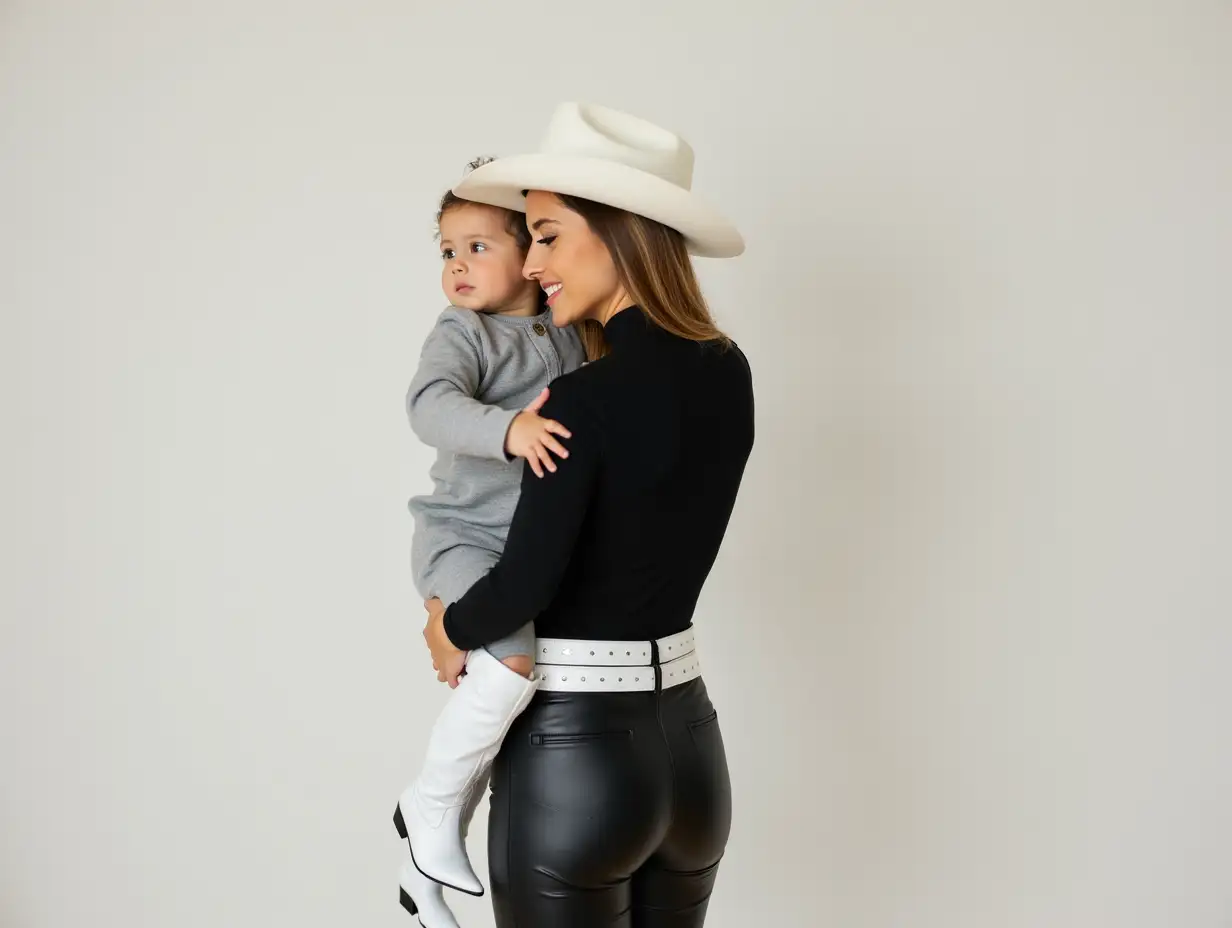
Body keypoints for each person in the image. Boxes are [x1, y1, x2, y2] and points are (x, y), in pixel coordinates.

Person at [421, 102, 755, 928]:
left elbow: (524, 585)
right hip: (691, 755)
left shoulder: (581, 401)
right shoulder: (729, 371)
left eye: (547, 235)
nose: (531, 265)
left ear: (617, 231)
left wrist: (449, 622)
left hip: (576, 761)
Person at [393, 159, 588, 928]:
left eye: (479, 247)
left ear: (531, 259)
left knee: (501, 712)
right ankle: (427, 811)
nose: (457, 266)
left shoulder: (570, 333)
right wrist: (507, 428)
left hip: (528, 554)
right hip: (463, 538)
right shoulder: (462, 332)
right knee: (508, 669)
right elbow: (429, 406)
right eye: (447, 251)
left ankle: (426, 871)